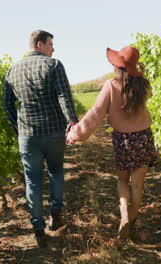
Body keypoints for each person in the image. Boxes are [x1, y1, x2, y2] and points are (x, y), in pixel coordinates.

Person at [66, 46, 156, 239]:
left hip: (123, 140)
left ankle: (123, 213)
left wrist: (76, 134)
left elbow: (95, 114)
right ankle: (130, 224)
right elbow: (148, 94)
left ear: (117, 66)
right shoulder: (144, 85)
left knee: (123, 179)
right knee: (138, 186)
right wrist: (141, 73)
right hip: (144, 138)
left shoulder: (111, 86)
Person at [2, 30, 78, 248]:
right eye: (50, 44)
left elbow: (7, 105)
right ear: (39, 44)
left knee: (32, 182)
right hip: (54, 132)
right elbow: (64, 96)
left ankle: (38, 227)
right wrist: (73, 122)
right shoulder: (53, 65)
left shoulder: (12, 70)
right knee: (55, 172)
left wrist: (18, 128)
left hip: (27, 136)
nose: (53, 49)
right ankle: (55, 214)